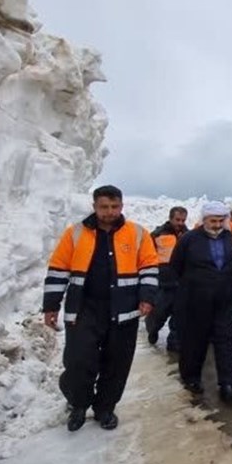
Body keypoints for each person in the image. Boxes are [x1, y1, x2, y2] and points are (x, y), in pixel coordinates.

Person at [42, 185, 159, 431]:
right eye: (104, 207)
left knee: (116, 363)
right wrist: (51, 306)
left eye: (114, 206)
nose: (109, 212)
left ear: (121, 206)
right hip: (84, 309)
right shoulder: (75, 234)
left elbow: (149, 267)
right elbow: (58, 269)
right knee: (78, 362)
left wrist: (147, 297)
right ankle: (78, 404)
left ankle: (105, 408)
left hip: (123, 310)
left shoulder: (138, 233)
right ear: (94, 206)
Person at [171, 201, 232, 402]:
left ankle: (227, 384)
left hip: (225, 299)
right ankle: (192, 377)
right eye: (213, 221)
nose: (218, 224)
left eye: (221, 220)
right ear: (204, 220)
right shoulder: (189, 239)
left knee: (225, 339)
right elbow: (176, 267)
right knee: (195, 340)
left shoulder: (229, 238)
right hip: (196, 300)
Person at [146, 206, 188, 352]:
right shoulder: (157, 235)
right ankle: (152, 329)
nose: (180, 223)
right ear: (170, 218)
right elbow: (148, 257)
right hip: (164, 282)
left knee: (179, 314)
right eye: (177, 219)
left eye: (183, 220)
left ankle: (174, 343)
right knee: (160, 312)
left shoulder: (188, 235)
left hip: (182, 282)